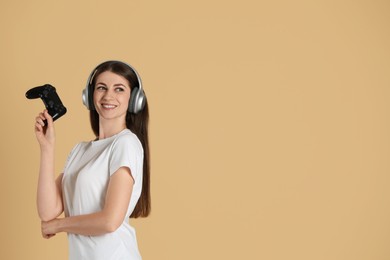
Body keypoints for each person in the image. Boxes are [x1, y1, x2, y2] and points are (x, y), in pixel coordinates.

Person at [34, 60, 151, 259]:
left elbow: (110, 221)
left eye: (119, 89)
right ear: (89, 96)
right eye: (101, 88)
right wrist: (47, 148)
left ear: (134, 99)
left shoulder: (125, 143)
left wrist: (59, 225)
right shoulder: (80, 150)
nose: (108, 96)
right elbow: (47, 211)